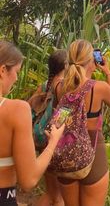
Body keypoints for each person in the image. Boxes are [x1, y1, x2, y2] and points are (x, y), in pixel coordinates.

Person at [56, 39, 110, 206]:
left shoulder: (62, 87)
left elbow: (59, 119)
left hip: (67, 152)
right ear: (91, 61)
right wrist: (108, 73)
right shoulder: (99, 88)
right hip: (93, 149)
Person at [0, 40, 64, 206]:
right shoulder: (17, 110)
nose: (16, 78)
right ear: (2, 70)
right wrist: (53, 142)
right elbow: (28, 181)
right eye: (17, 72)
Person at [35, 49, 68, 206]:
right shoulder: (62, 87)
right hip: (54, 143)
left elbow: (31, 107)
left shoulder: (45, 85)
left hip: (43, 141)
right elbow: (64, 114)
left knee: (51, 194)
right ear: (66, 66)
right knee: (58, 198)